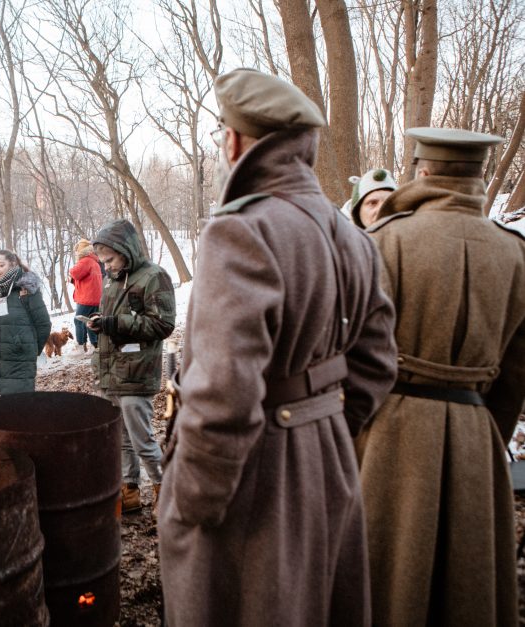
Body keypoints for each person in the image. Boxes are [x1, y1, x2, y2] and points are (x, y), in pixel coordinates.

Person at [157, 69, 398, 626]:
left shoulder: (241, 230)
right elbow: (378, 364)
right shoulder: (351, 236)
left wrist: (190, 504)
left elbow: (223, 393)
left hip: (251, 486)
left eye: (223, 134)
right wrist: (323, 424)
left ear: (237, 142)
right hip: (329, 462)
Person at [356, 127, 525, 626]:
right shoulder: (515, 253)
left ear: (422, 171)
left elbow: (354, 354)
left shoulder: (383, 241)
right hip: (476, 437)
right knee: (466, 586)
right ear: (478, 176)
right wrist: (481, 433)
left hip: (390, 435)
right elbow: (515, 377)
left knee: (387, 582)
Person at [87, 220, 175, 515]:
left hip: (137, 373)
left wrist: (116, 323)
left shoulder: (154, 276)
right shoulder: (114, 280)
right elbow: (116, 318)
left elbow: (163, 324)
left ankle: (165, 489)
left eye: (110, 259)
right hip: (112, 372)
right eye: (103, 261)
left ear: (126, 251)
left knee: (142, 439)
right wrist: (101, 321)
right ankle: (130, 489)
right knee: (122, 439)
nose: (107, 266)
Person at [0, 250, 51, 395]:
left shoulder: (26, 289)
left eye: (1, 265)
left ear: (13, 264)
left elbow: (44, 324)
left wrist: (31, 347)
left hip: (21, 358)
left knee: (19, 407)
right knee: (3, 408)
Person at [69, 238, 103, 352]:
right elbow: (86, 279)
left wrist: (71, 271)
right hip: (95, 298)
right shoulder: (94, 261)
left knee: (78, 320)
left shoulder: (85, 261)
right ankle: (94, 345)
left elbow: (75, 273)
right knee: (91, 321)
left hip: (87, 298)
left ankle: (80, 346)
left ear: (81, 251)